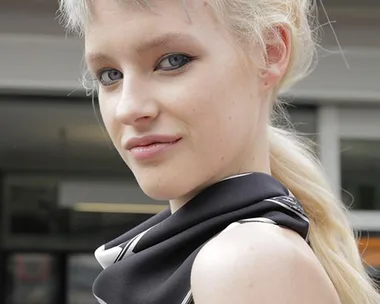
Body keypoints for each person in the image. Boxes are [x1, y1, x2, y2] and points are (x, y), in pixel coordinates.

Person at [58, 0, 380, 303]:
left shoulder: (245, 262)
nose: (128, 108)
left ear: (269, 53)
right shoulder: (243, 256)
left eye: (172, 61)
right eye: (110, 75)